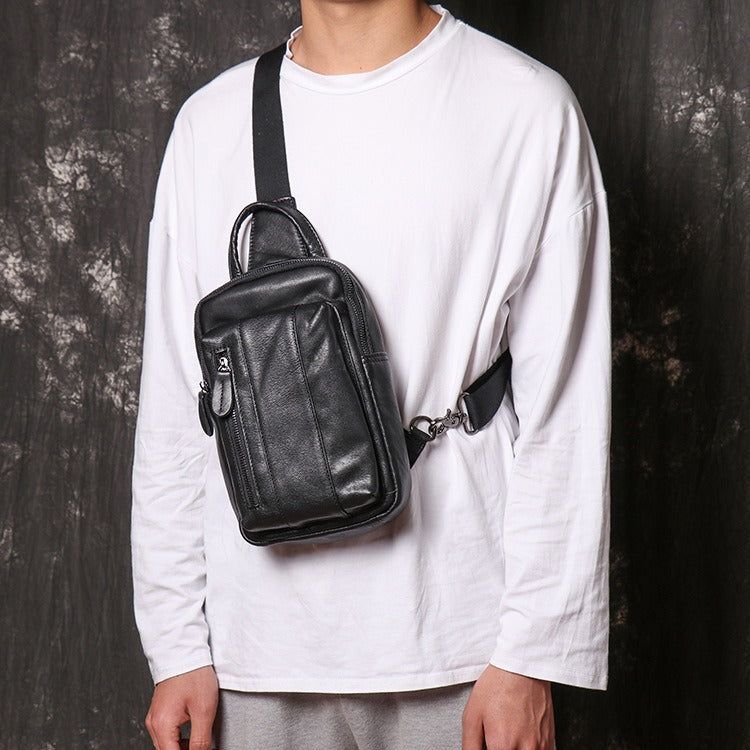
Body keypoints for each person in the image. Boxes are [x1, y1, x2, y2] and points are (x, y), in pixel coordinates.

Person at [131, 1, 611, 748]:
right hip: (252, 653)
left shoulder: (526, 105)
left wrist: (531, 655)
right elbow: (175, 412)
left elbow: (567, 412)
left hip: (465, 647)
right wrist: (176, 646)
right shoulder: (210, 123)